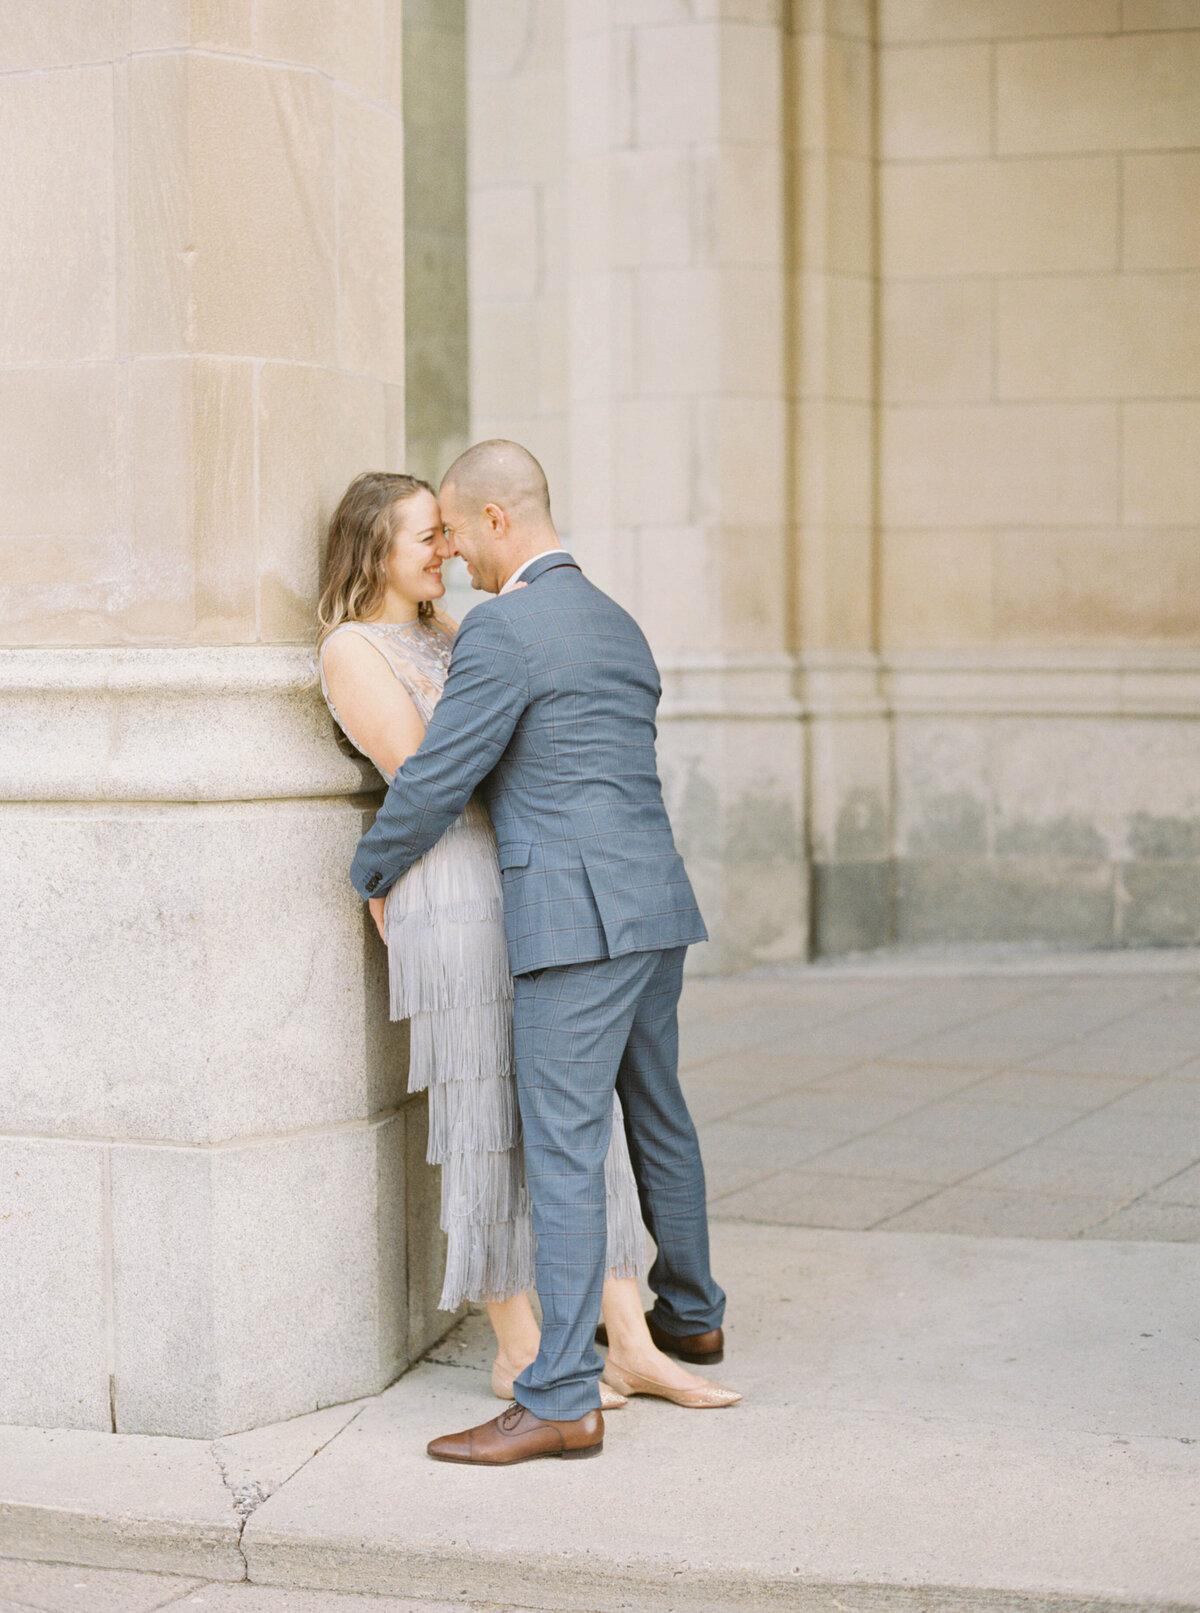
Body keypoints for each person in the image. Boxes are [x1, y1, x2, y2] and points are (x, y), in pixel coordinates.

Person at [317, 469, 736, 1440]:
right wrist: (379, 873)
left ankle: (610, 1345)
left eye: (449, 529)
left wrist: (368, 868)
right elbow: (433, 771)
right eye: (426, 535)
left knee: (563, 1125)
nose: (446, 549)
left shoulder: (480, 630)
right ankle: (552, 1343)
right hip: (463, 891)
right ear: (372, 545)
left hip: (538, 888)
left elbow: (501, 752)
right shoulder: (367, 643)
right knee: (503, 1117)